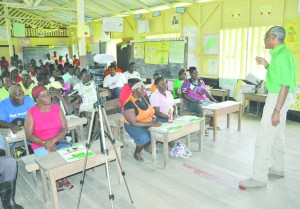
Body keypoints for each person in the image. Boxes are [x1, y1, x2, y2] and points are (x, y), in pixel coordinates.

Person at [239, 26, 296, 188]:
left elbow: (284, 85)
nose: (264, 40)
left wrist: (276, 111)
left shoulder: (282, 57)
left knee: (264, 137)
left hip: (278, 97)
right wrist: (266, 65)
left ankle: (259, 178)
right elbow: (279, 76)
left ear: (273, 37)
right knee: (277, 134)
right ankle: (277, 168)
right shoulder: (284, 55)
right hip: (283, 97)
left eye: (265, 37)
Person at [25, 86, 73, 191]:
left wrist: (53, 141)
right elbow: (28, 135)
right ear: (37, 99)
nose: (48, 97)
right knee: (50, 158)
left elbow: (64, 128)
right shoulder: (32, 112)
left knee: (67, 154)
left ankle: (63, 177)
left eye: (48, 94)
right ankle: (53, 179)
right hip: (40, 143)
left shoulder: (57, 108)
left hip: (58, 140)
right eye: (43, 96)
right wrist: (46, 144)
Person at [123, 79, 162, 162]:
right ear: (135, 89)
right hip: (133, 126)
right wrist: (151, 124)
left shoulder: (144, 97)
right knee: (145, 138)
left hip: (147, 122)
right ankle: (137, 152)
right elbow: (133, 123)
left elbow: (150, 110)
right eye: (142, 89)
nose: (144, 90)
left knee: (162, 130)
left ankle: (148, 146)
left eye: (144, 88)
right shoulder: (129, 104)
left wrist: (153, 118)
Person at [0, 85, 35, 156]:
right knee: (2, 147)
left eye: (22, 94)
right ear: (10, 97)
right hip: (9, 131)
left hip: (28, 130)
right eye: (18, 95)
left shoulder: (28, 100)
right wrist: (10, 125)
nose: (22, 97)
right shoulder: (3, 104)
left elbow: (35, 116)